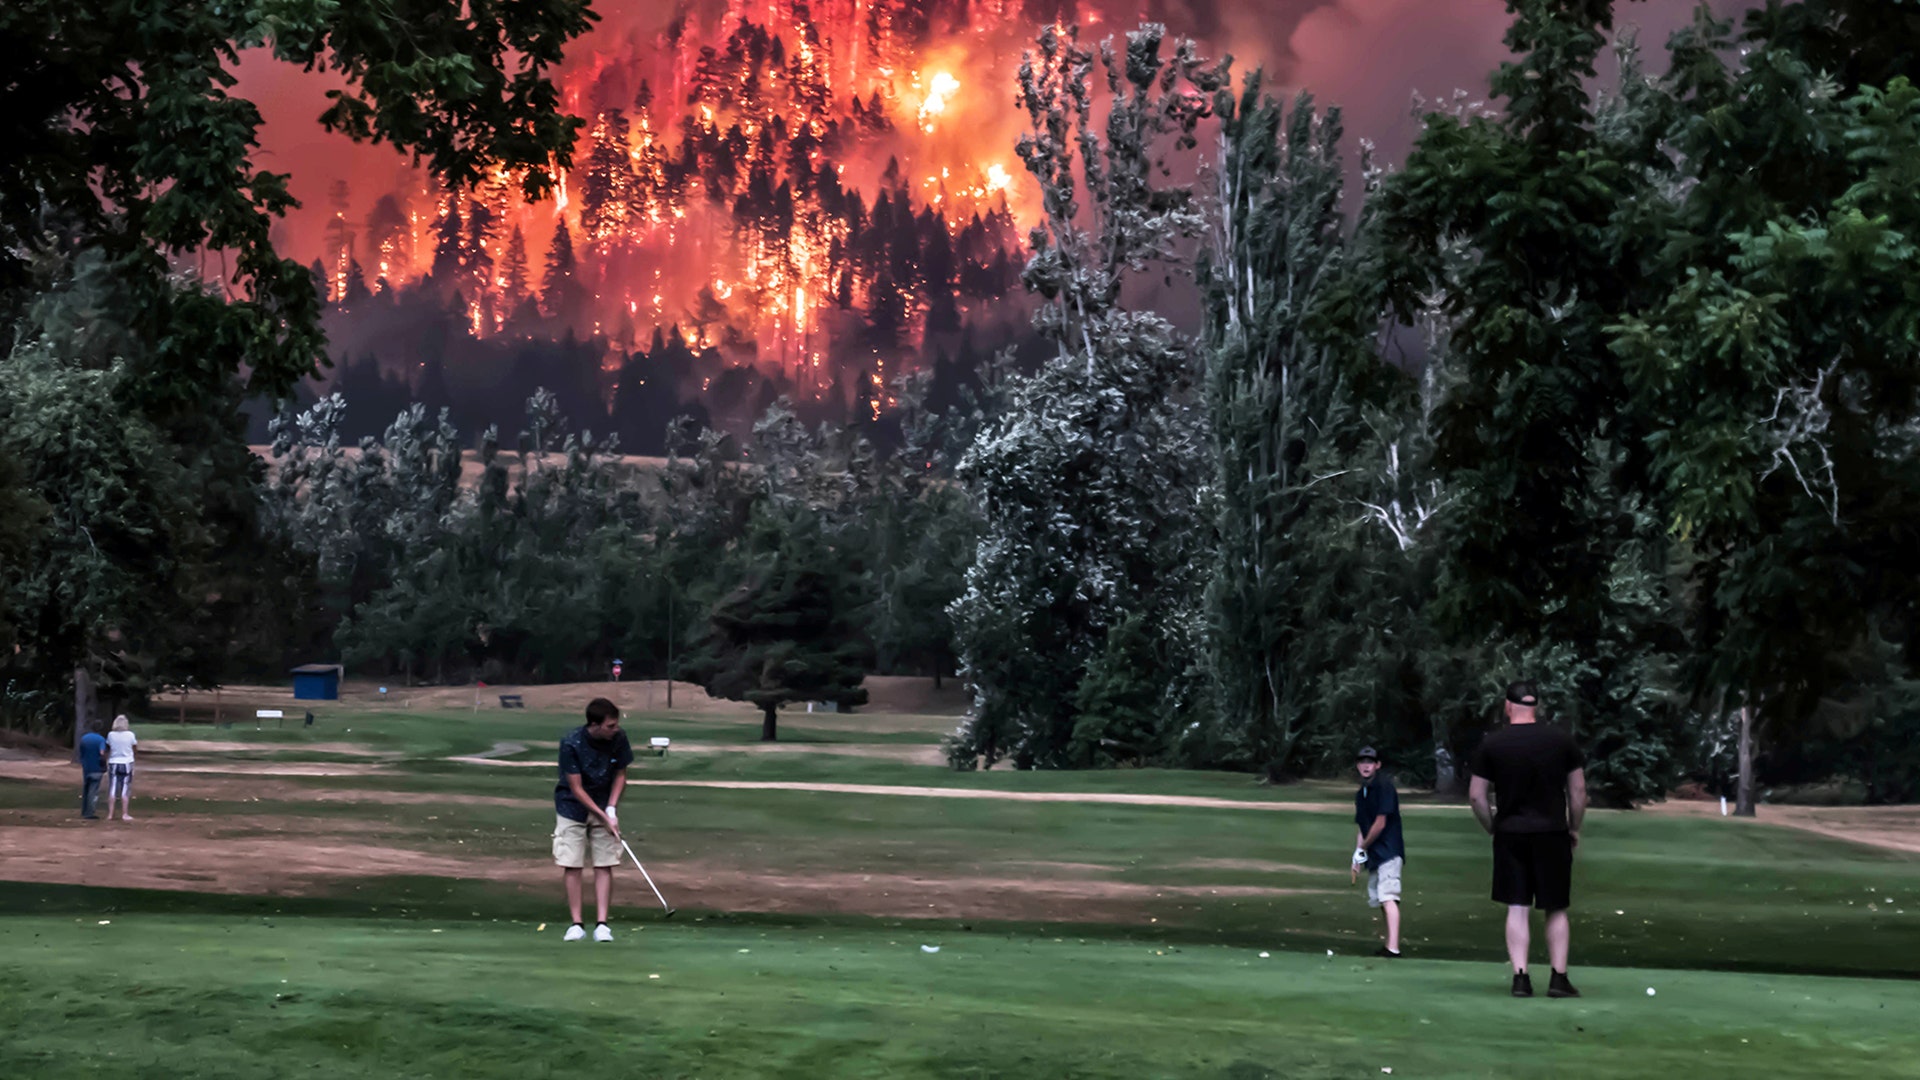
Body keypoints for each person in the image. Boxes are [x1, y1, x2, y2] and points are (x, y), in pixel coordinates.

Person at [1469, 680, 1588, 999]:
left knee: (1517, 906)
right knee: (1556, 907)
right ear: (1536, 706)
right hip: (1552, 832)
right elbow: (1577, 792)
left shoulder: (1492, 745)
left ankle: (1520, 977)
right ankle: (1558, 977)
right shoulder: (1562, 741)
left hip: (1511, 832)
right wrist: (1573, 827)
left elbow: (1477, 797)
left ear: (1507, 706)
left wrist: (1492, 826)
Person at [553, 697, 634, 942]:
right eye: (610, 725)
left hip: (604, 802)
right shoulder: (571, 742)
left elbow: (620, 775)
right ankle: (577, 924)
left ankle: (602, 925)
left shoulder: (619, 739)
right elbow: (576, 788)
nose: (615, 729)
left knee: (604, 863)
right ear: (595, 724)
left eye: (616, 724)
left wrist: (611, 809)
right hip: (571, 807)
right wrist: (601, 814)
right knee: (572, 863)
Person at [1351, 745, 1405, 958]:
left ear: (1377, 765)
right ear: (1358, 765)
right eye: (1362, 762)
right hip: (1375, 853)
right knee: (1381, 898)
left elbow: (1380, 823)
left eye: (1370, 762)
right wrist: (1358, 853)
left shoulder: (1384, 787)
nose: (1366, 765)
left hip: (1389, 851)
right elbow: (1363, 827)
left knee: (1388, 896)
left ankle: (1393, 947)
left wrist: (1363, 848)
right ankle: (1388, 944)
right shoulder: (1362, 793)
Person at [105, 714, 139, 821]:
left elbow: (109, 747)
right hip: (127, 762)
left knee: (113, 788)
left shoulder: (111, 735)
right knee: (125, 788)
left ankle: (110, 814)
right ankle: (124, 814)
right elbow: (134, 747)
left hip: (114, 762)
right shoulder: (130, 735)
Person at [77, 721, 108, 820]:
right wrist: (104, 764)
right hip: (96, 768)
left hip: (86, 767)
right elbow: (102, 752)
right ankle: (90, 812)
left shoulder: (84, 738)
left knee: (86, 788)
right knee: (93, 790)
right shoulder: (101, 739)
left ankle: (84, 810)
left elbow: (81, 751)